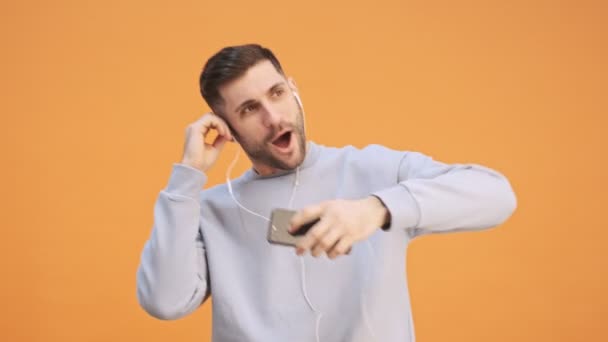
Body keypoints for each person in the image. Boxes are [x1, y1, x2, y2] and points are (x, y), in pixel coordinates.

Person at [136, 44, 517, 342]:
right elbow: (164, 302)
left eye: (277, 93)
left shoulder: (375, 171)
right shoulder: (210, 211)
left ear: (295, 91)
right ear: (227, 129)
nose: (274, 117)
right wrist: (187, 177)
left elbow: (497, 196)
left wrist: (376, 208)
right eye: (250, 109)